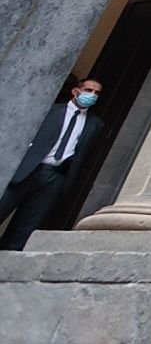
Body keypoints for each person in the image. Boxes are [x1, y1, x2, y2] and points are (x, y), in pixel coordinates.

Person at [1, 78, 104, 251]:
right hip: (28, 171)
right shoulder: (51, 110)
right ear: (75, 91)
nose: (92, 95)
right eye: (88, 90)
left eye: (96, 93)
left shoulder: (95, 124)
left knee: (26, 227)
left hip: (55, 177)